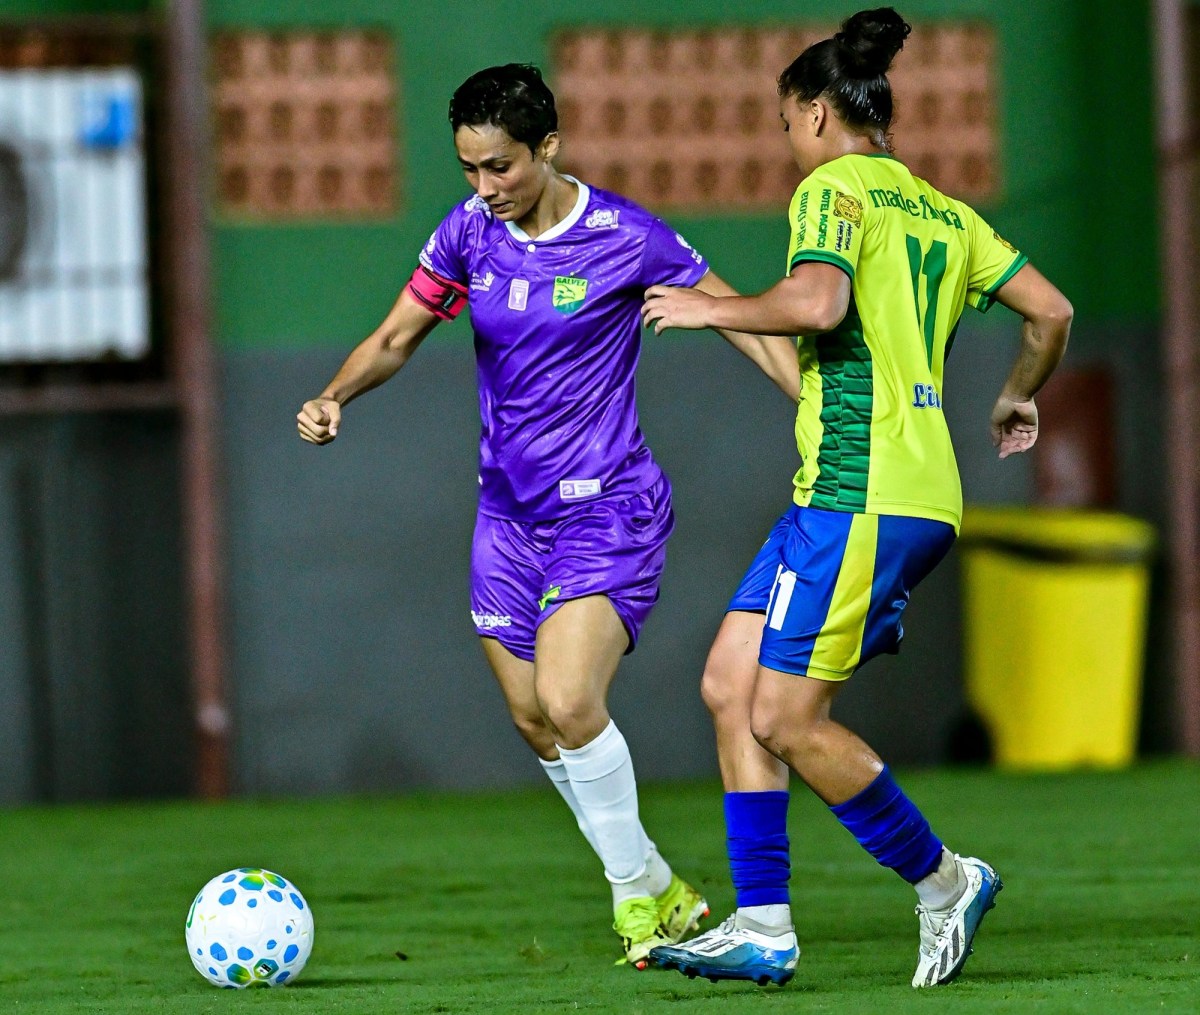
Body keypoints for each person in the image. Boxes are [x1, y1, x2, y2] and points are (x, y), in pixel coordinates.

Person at [296, 63, 799, 968]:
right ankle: (657, 882)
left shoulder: (625, 235)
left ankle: (633, 908)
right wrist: (337, 394)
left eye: (500, 167)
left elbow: (740, 318)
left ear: (549, 146)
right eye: (469, 170)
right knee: (534, 717)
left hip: (609, 509)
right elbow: (395, 335)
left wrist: (815, 412)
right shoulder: (467, 235)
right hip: (507, 518)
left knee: (572, 698)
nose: (484, 188)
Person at [641, 7, 1072, 989]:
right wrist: (1014, 395)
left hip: (860, 496)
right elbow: (1050, 310)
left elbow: (819, 303)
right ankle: (762, 924)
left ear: (818, 112)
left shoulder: (830, 191)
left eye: (785, 119)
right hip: (880, 495)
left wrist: (710, 307)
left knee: (785, 719)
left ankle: (944, 880)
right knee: (728, 685)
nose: (786, 140)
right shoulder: (942, 212)